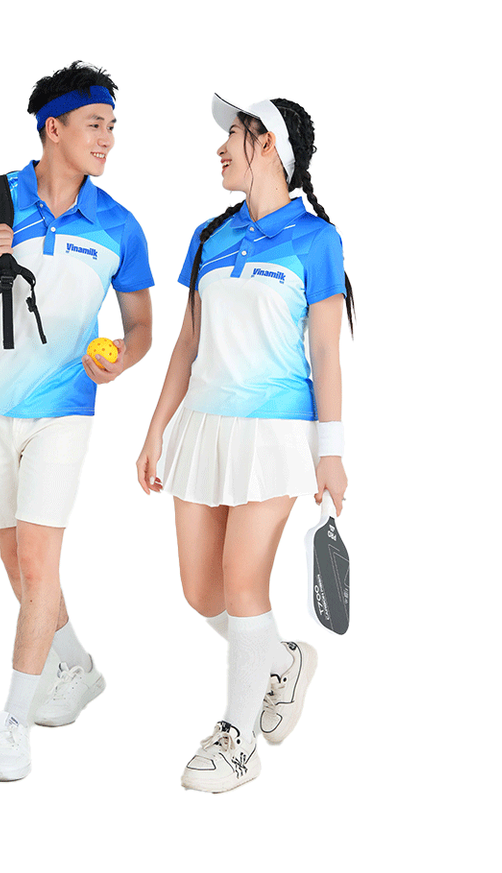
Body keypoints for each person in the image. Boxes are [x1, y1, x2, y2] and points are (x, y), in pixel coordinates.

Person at [0, 62, 154, 781]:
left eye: (112, 126)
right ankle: (76, 665)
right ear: (53, 129)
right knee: (11, 559)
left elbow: (142, 325)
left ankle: (14, 722)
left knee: (36, 563)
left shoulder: (119, 225)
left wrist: (121, 360)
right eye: (95, 124)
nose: (107, 139)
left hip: (64, 411)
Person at [136, 94, 352, 793]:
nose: (221, 146)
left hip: (277, 431)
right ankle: (283, 661)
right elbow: (188, 342)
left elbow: (326, 350)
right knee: (201, 591)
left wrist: (331, 449)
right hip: (202, 426)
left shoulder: (317, 241)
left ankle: (237, 740)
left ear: (268, 146)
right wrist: (155, 430)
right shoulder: (208, 236)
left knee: (242, 582)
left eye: (233, 133)